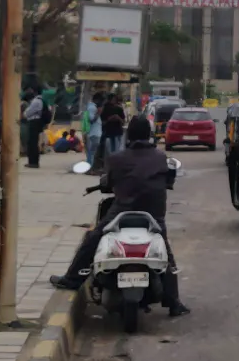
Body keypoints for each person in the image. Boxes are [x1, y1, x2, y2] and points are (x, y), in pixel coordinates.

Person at [49, 115, 189, 316]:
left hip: (122, 211)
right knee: (165, 252)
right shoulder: (160, 158)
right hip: (154, 214)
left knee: (93, 238)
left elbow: (108, 183)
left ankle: (72, 279)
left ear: (129, 134)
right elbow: (168, 179)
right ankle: (174, 302)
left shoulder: (116, 158)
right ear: (149, 135)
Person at [99, 93, 126, 167]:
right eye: (113, 99)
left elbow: (123, 121)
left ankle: (116, 164)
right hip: (108, 133)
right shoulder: (105, 109)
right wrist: (109, 119)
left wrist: (118, 118)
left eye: (115, 99)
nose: (114, 101)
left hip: (118, 132)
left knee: (117, 149)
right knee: (109, 150)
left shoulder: (119, 109)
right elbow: (102, 122)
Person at [23, 90, 44, 169]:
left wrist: (25, 113)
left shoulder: (35, 102)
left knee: (32, 143)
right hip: (37, 122)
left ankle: (33, 162)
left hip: (34, 122)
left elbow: (27, 113)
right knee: (33, 142)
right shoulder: (40, 100)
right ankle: (33, 161)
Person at [83, 93, 103, 169]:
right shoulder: (92, 107)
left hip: (95, 132)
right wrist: (98, 112)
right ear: (97, 100)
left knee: (92, 152)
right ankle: (90, 168)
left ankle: (90, 167)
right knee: (92, 152)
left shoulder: (92, 106)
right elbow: (91, 120)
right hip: (94, 132)